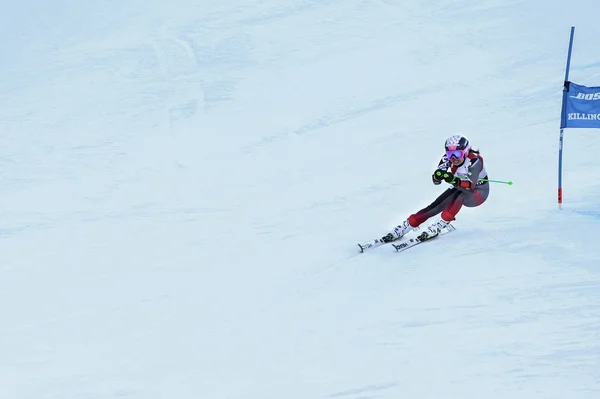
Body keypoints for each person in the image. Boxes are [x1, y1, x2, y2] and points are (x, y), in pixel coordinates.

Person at [380, 134, 490, 243]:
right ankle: (407, 225)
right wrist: (438, 176)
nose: (453, 158)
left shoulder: (475, 161)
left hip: (479, 192)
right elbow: (436, 181)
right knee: (435, 205)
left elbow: (470, 186)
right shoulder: (447, 159)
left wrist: (453, 180)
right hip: (460, 187)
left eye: (457, 154)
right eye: (450, 154)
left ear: (465, 152)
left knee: (459, 196)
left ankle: (440, 224)